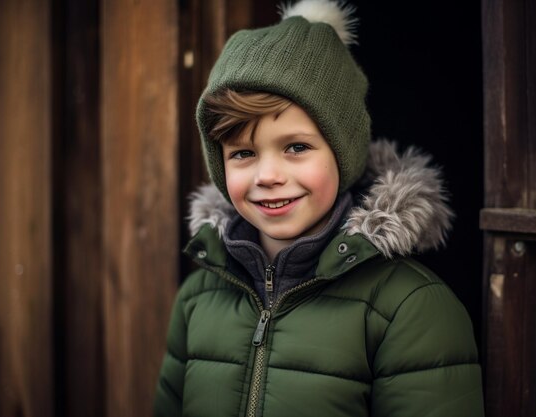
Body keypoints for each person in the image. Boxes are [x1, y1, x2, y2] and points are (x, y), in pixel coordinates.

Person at [154, 0, 484, 416]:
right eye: (242, 153)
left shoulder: (411, 307)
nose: (267, 175)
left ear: (343, 153)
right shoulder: (197, 299)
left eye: (296, 147)